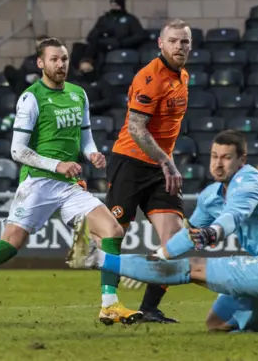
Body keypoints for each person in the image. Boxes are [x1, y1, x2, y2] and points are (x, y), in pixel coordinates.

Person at [0, 37, 141, 328]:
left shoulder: (78, 94)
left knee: (111, 229)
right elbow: (17, 150)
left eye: (63, 59)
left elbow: (85, 136)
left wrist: (92, 153)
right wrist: (57, 164)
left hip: (68, 185)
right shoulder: (31, 97)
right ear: (41, 63)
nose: (60, 64)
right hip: (37, 184)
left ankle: (109, 306)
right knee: (10, 245)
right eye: (54, 59)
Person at [70, 130, 258, 333]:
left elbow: (233, 217)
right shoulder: (211, 195)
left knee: (192, 269)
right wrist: (157, 257)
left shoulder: (249, 183)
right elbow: (189, 233)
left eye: (227, 158)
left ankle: (95, 259)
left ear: (241, 160)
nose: (218, 164)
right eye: (214, 156)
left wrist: (212, 233)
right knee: (216, 323)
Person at [67, 19, 191, 324]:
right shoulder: (150, 78)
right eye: (173, 41)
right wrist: (167, 161)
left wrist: (164, 162)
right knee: (114, 234)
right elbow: (136, 128)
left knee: (175, 240)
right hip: (131, 163)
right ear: (161, 44)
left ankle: (149, 308)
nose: (179, 46)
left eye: (184, 42)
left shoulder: (183, 75)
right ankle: (108, 301)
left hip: (161, 167)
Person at [80, 0, 147, 72]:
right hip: (103, 44)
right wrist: (99, 33)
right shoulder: (104, 19)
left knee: (100, 53)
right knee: (82, 48)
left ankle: (94, 72)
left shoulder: (130, 19)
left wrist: (122, 43)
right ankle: (86, 66)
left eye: (116, 5)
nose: (114, 7)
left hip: (120, 45)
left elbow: (139, 35)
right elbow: (91, 37)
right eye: (113, 4)